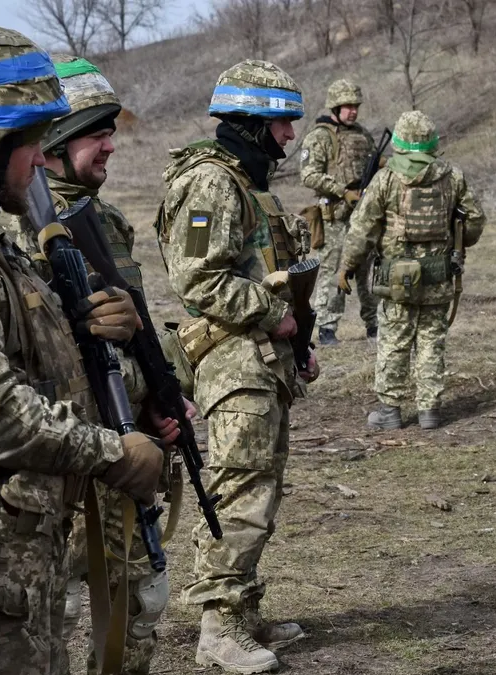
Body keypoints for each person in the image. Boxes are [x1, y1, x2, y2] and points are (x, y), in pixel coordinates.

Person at [0, 24, 163, 674]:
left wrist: (102, 324)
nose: (42, 162)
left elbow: (23, 359)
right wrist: (113, 452)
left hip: (10, 565)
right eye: (30, 143)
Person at [156, 59, 318, 674]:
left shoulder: (247, 184)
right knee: (239, 490)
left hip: (261, 360)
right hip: (232, 360)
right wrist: (272, 314)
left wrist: (294, 340)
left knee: (260, 487)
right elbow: (198, 278)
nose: (291, 137)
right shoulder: (211, 183)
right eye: (281, 125)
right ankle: (218, 629)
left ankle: (243, 611)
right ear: (250, 124)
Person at [38, 55, 175, 675]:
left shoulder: (106, 222)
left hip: (125, 449)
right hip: (63, 461)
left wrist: (161, 398)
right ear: (55, 143)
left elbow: (131, 335)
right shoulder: (14, 228)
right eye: (96, 132)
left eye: (110, 130)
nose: (111, 146)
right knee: (57, 621)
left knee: (137, 609)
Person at [338, 110, 485, 431]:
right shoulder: (452, 176)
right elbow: (474, 221)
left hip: (397, 279)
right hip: (439, 275)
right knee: (431, 341)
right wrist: (457, 243)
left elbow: (361, 229)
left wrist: (346, 266)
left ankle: (390, 411)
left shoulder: (387, 179)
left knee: (394, 340)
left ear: (400, 144)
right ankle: (429, 410)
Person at [301, 79, 378, 345]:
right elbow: (309, 174)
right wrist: (342, 191)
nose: (353, 110)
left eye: (355, 105)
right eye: (347, 106)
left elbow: (375, 166)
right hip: (334, 216)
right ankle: (327, 326)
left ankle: (374, 323)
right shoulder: (320, 137)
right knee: (333, 271)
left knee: (369, 270)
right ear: (335, 106)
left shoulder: (363, 135)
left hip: (363, 213)